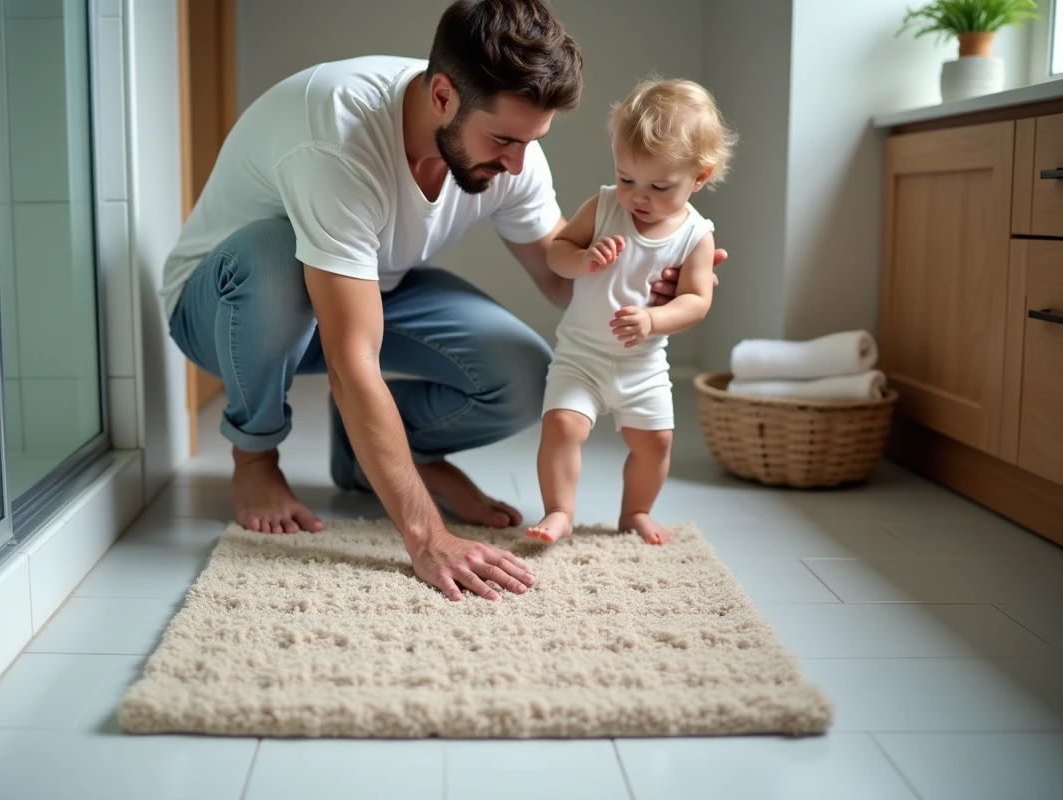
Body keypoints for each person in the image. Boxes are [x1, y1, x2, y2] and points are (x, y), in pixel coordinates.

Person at [160, 0, 727, 602]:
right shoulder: (338, 136)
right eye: (505, 140)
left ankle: (363, 456)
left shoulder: (515, 148)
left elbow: (563, 278)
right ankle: (254, 458)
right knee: (279, 260)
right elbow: (353, 360)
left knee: (526, 376)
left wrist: (649, 271)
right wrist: (425, 533)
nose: (516, 163)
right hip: (227, 306)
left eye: (530, 143)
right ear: (441, 97)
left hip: (374, 287)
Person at [525, 78, 735, 547]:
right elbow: (557, 250)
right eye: (627, 179)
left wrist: (654, 320)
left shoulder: (697, 235)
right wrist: (581, 260)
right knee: (562, 426)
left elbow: (697, 300)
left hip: (642, 364)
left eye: (659, 186)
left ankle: (636, 511)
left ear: (699, 178)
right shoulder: (603, 207)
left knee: (655, 442)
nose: (638, 196)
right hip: (582, 355)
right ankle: (559, 510)